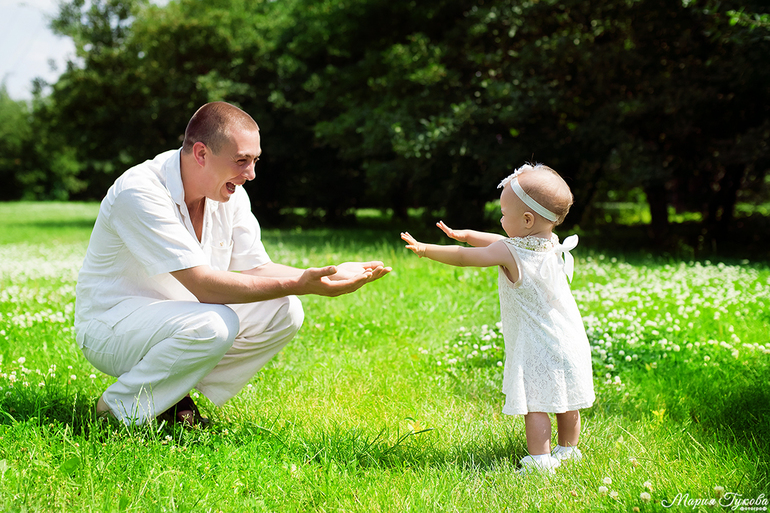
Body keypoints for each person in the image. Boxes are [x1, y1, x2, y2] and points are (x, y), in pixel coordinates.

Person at [75, 101, 390, 427]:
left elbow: (258, 268)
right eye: (241, 161)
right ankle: (116, 410)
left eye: (254, 161)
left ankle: (168, 393)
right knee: (215, 322)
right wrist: (301, 283)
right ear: (201, 154)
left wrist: (332, 273)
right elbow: (203, 285)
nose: (251, 174)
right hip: (111, 329)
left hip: (180, 319)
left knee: (284, 311)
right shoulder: (140, 191)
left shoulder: (230, 192)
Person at [400, 163, 594, 475]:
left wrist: (426, 249)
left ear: (527, 219)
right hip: (569, 338)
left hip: (538, 343)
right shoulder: (549, 242)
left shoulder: (511, 251)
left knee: (537, 402)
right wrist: (466, 235)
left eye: (505, 213)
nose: (501, 219)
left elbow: (468, 258)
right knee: (566, 397)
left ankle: (540, 462)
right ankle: (568, 451)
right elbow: (499, 241)